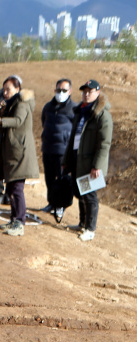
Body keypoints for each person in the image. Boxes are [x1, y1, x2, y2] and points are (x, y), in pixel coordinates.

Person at [0, 76, 39, 237]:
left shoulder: (22, 103)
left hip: (20, 152)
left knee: (17, 189)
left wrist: (0, 119)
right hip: (11, 152)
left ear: (17, 89)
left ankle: (20, 222)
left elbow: (17, 121)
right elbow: (4, 128)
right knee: (10, 188)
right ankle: (13, 219)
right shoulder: (11, 104)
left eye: (8, 89)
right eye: (3, 89)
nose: (5, 92)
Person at [62, 78, 112, 242]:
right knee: (79, 192)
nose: (86, 94)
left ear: (98, 93)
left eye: (90, 91)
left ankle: (90, 229)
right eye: (84, 91)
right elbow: (72, 140)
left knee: (89, 196)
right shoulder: (81, 112)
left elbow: (104, 144)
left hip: (91, 164)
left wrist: (97, 165)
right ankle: (82, 223)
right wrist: (66, 160)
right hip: (77, 159)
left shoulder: (102, 115)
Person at [40, 77, 75, 221]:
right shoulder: (48, 107)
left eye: (64, 90)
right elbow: (44, 121)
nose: (61, 93)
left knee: (62, 180)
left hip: (63, 151)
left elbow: (76, 130)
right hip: (48, 148)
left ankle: (60, 205)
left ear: (70, 91)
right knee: (49, 179)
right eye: (58, 90)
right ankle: (51, 203)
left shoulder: (73, 109)